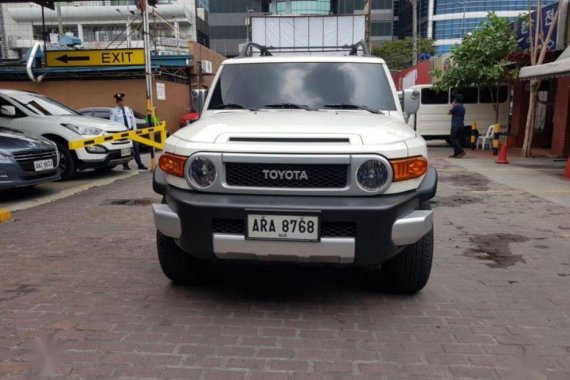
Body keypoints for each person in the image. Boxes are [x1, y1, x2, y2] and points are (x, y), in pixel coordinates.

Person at [110, 93, 148, 170]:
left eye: (122, 101)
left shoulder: (129, 109)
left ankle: (140, 164)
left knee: (136, 148)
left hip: (131, 131)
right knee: (125, 149)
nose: (121, 103)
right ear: (117, 103)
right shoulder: (114, 111)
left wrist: (135, 131)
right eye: (119, 102)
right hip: (122, 133)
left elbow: (133, 120)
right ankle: (125, 165)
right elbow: (112, 123)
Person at [448, 93, 466, 158]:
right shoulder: (462, 106)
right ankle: (456, 153)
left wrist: (453, 105)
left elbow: (449, 112)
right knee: (456, 139)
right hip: (461, 125)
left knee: (453, 139)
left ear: (456, 99)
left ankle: (461, 151)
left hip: (455, 125)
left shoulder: (456, 106)